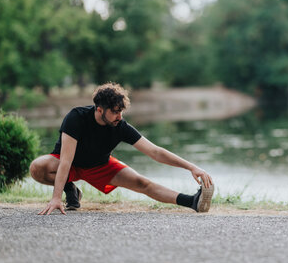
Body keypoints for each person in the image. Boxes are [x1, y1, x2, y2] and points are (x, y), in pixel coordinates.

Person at [30, 82, 214, 215]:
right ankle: (71, 190)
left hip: (99, 166)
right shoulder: (76, 117)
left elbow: (155, 152)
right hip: (68, 164)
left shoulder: (120, 126)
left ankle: (192, 202)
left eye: (121, 111)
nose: (119, 116)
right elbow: (66, 161)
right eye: (115, 111)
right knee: (37, 168)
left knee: (143, 184)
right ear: (100, 109)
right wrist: (56, 197)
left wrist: (191, 167)